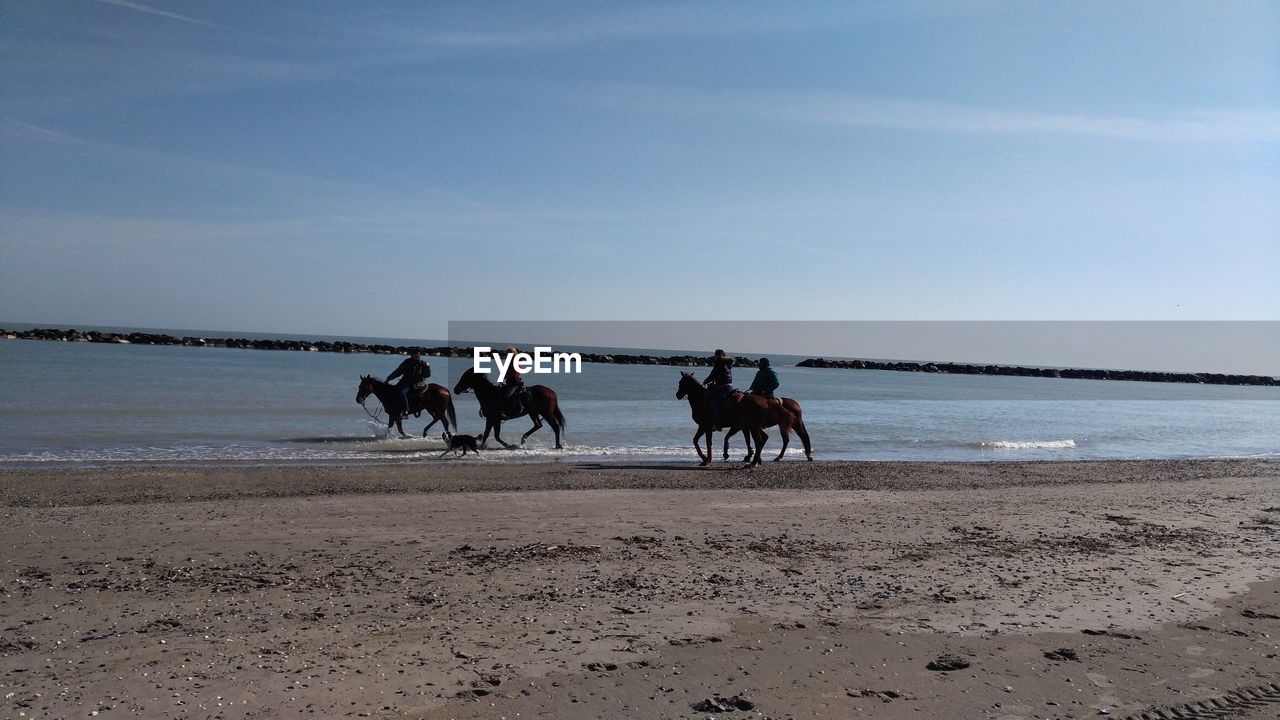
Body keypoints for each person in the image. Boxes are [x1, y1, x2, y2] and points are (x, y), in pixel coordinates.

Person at [386, 349, 430, 417]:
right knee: (394, 391)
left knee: (402, 392)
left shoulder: (422, 364)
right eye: (415, 355)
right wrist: (389, 378)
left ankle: (406, 410)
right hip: (405, 382)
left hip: (417, 384)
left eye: (418, 355)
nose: (417, 357)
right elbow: (398, 372)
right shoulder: (407, 362)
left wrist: (427, 367)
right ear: (411, 355)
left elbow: (427, 375)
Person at [703, 349, 735, 429]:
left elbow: (712, 375)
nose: (715, 357)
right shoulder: (728, 363)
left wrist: (705, 381)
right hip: (729, 386)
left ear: (717, 356)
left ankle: (718, 422)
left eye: (715, 355)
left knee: (713, 402)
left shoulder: (719, 363)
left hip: (723, 387)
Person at [500, 346, 525, 410]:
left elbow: (515, 374)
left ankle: (507, 410)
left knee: (506, 396)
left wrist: (517, 383)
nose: (506, 355)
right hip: (509, 382)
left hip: (514, 383)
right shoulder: (510, 362)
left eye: (508, 353)